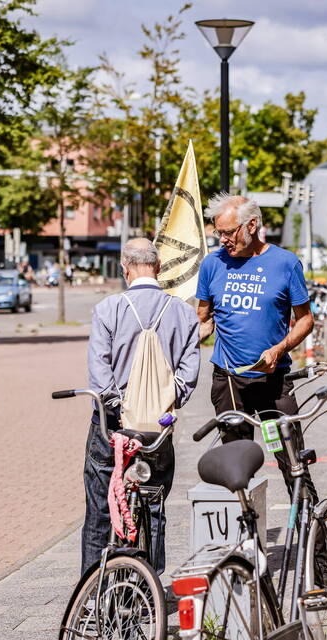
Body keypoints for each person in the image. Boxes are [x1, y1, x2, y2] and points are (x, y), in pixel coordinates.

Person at [83, 238, 200, 576]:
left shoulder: (108, 309)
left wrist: (121, 407)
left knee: (99, 512)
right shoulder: (182, 312)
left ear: (125, 268)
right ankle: (150, 588)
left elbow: (99, 374)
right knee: (153, 507)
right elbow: (188, 376)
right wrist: (163, 403)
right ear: (158, 267)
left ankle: (92, 593)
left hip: (113, 428)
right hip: (157, 430)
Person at [196, 193, 317, 497]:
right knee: (235, 470)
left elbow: (305, 320)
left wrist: (280, 349)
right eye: (217, 232)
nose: (222, 239)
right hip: (229, 382)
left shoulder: (285, 263)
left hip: (273, 383)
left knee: (293, 464)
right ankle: (245, 541)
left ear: (251, 225)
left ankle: (314, 543)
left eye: (228, 232)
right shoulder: (212, 264)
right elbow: (203, 319)